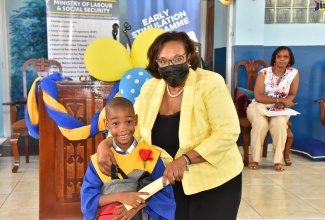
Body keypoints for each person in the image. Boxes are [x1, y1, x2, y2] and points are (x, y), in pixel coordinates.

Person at [97, 31, 243, 220]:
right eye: (163, 61)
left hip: (214, 181)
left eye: (177, 58)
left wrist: (185, 160)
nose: (170, 65)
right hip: (168, 183)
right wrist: (105, 144)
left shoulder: (209, 83)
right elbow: (134, 127)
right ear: (156, 62)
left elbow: (227, 132)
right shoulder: (150, 88)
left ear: (189, 57)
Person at [81, 97, 176, 220]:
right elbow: (88, 201)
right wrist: (120, 196)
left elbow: (165, 195)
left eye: (128, 122)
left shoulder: (151, 156)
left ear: (136, 120)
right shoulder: (99, 161)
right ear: (106, 124)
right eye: (116, 123)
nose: (123, 129)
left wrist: (137, 205)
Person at [247, 46, 300, 171]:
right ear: (274, 58)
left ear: (290, 59)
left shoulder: (294, 73)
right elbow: (258, 96)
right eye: (279, 56)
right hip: (259, 106)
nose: (282, 59)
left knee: (279, 124)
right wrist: (280, 100)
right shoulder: (264, 72)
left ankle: (278, 160)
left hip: (279, 107)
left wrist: (284, 103)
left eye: (285, 57)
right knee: (260, 124)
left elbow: (292, 94)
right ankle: (254, 159)